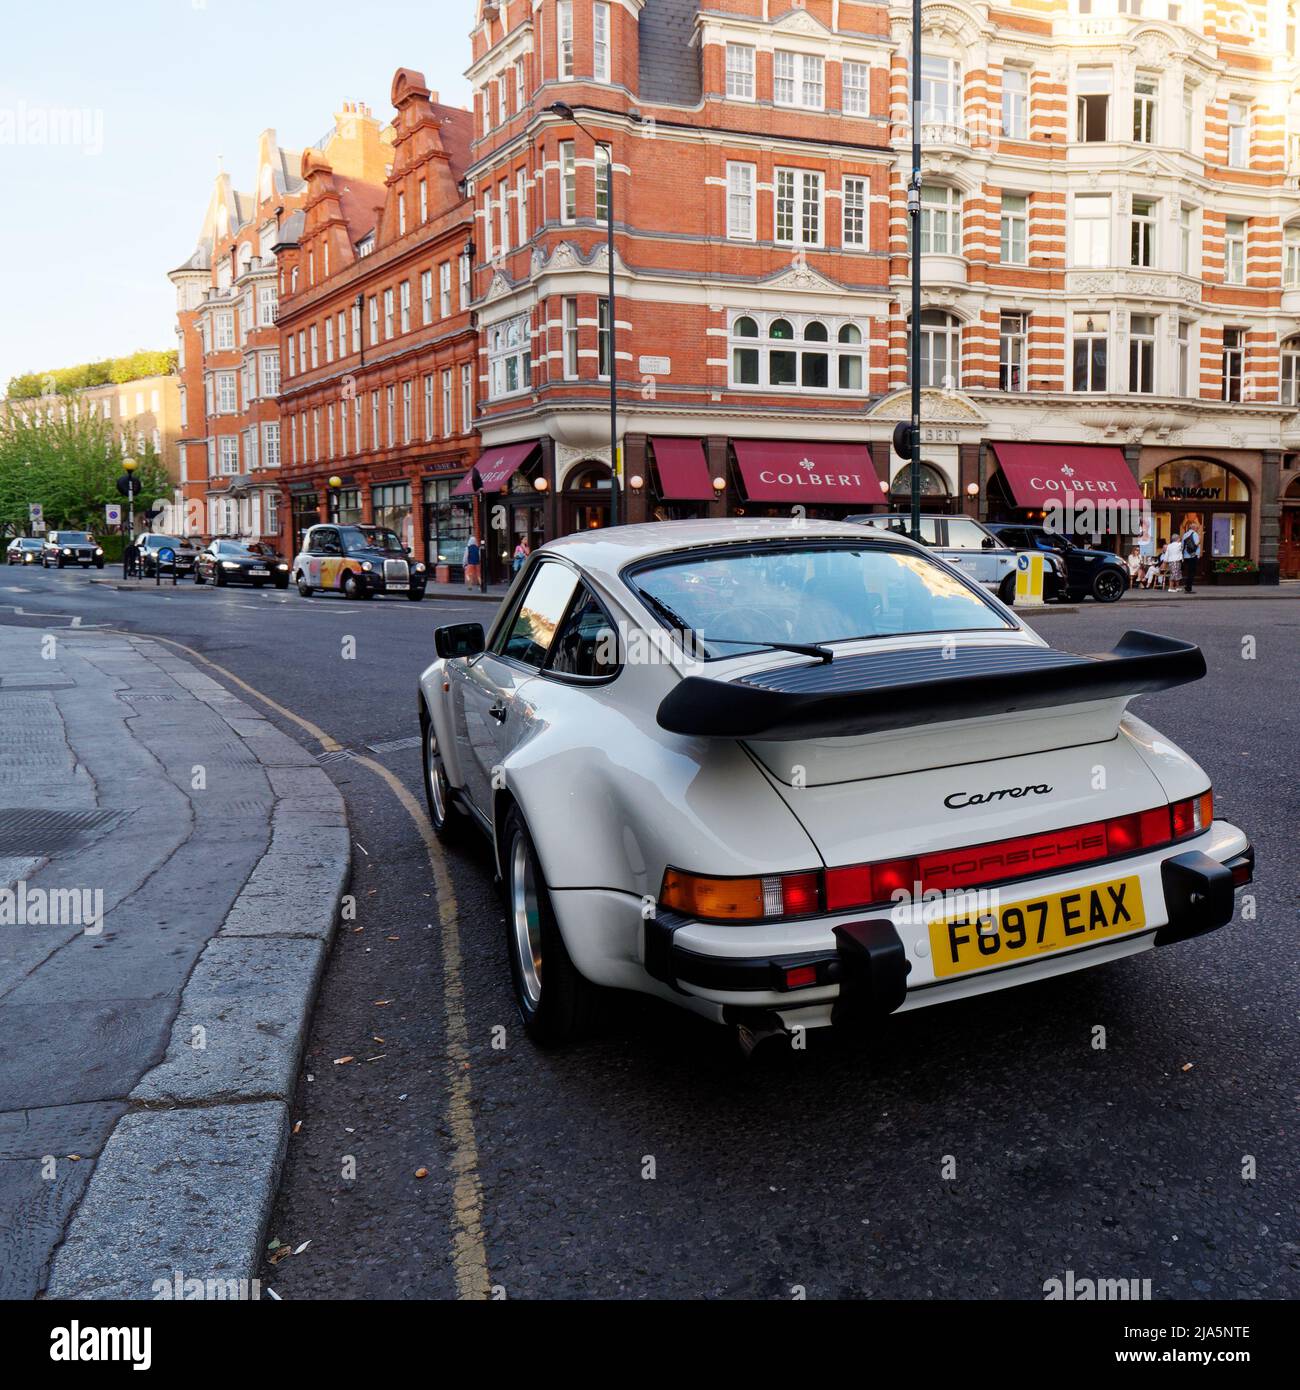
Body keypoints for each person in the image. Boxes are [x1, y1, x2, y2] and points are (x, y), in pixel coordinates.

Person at [1181, 521, 1201, 593]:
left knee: (1188, 572)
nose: (1197, 529)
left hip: (1186, 556)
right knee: (1192, 572)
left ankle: (1187, 586)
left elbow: (1182, 546)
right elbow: (1196, 544)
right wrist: (1200, 540)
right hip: (1192, 555)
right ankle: (1188, 588)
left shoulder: (1185, 534)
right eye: (1197, 527)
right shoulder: (1195, 534)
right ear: (1194, 528)